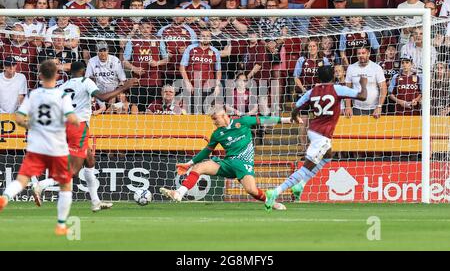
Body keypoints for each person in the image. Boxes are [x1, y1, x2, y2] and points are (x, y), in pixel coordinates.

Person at [32, 61, 139, 212]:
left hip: (63, 127)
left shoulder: (62, 87)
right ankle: (41, 185)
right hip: (78, 127)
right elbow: (103, 97)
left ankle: (95, 202)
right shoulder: (86, 81)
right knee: (73, 172)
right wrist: (124, 87)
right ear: (83, 71)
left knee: (89, 161)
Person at [264, 65, 368, 209]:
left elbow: (296, 107)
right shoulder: (337, 89)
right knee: (306, 168)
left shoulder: (312, 92)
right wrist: (363, 83)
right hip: (322, 135)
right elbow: (363, 96)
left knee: (327, 156)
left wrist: (295, 117)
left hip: (313, 130)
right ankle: (275, 192)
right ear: (332, 76)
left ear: (318, 78)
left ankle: (300, 185)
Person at [0, 60, 79, 236]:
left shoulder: (33, 95)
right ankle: (60, 224)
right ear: (57, 75)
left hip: (36, 146)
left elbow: (19, 118)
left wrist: (32, 125)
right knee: (66, 184)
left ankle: (4, 197)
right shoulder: (62, 96)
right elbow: (74, 120)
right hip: (57, 147)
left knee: (22, 179)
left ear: (40, 76)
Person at [160, 106, 289, 210]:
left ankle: (271, 202)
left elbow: (265, 119)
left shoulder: (242, 122)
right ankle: (179, 193)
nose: (214, 122)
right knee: (199, 167)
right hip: (227, 163)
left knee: (252, 190)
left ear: (223, 115)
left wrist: (287, 120)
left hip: (244, 164)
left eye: (215, 119)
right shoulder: (217, 134)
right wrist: (189, 163)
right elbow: (207, 151)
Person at [345, 46, 387, 119]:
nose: (361, 55)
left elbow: (383, 89)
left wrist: (379, 106)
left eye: (363, 53)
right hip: (356, 109)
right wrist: (348, 106)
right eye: (359, 53)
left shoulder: (376, 68)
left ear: (369, 54)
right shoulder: (351, 68)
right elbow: (347, 89)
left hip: (374, 109)